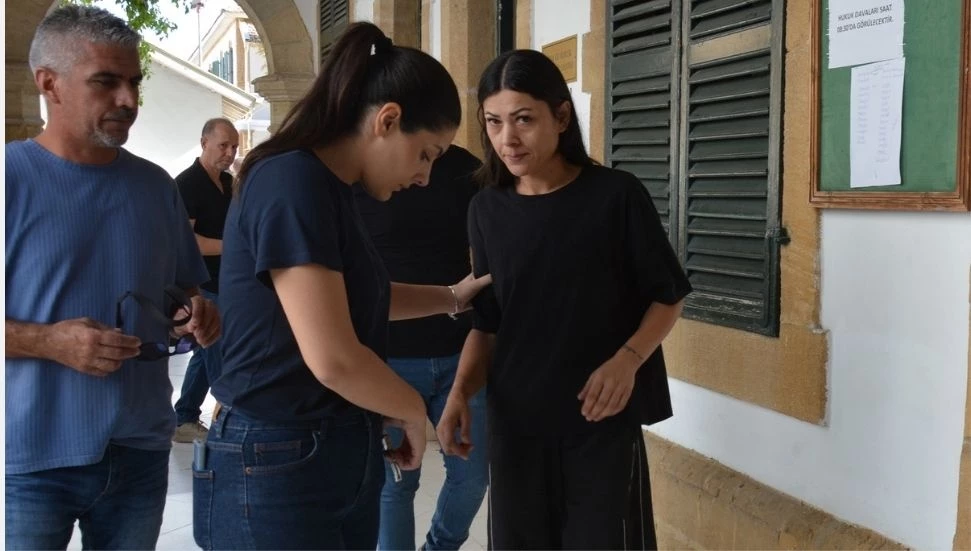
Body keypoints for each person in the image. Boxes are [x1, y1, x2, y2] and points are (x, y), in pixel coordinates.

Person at [194, 22, 490, 550]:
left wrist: (452, 296)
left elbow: (357, 298)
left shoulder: (335, 189)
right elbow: (332, 357)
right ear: (388, 119)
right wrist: (413, 410)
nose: (425, 177)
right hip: (275, 455)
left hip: (329, 445)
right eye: (426, 153)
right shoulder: (291, 181)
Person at [437, 49, 693, 550]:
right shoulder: (486, 209)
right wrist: (459, 394)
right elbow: (487, 325)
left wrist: (627, 361)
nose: (507, 139)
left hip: (599, 419)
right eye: (493, 122)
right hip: (517, 423)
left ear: (560, 115)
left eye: (523, 120)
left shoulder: (615, 195)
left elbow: (667, 296)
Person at [4, 6, 220, 550]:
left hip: (141, 452)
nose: (128, 99)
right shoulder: (10, 181)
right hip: (29, 462)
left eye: (133, 82)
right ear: (48, 84)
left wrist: (194, 312)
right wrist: (47, 341)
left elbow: (181, 291)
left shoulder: (155, 187)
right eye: (106, 81)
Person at [354, 144, 488, 551]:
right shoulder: (367, 172)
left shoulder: (469, 171)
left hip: (460, 352)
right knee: (396, 482)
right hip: (389, 357)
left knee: (472, 476)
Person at [172, 117, 239, 443]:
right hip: (201, 283)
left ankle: (184, 416)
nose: (229, 153)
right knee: (216, 348)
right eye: (223, 145)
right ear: (204, 143)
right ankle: (229, 419)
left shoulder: (227, 183)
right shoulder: (188, 183)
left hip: (226, 278)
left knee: (204, 349)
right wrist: (234, 247)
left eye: (234, 147)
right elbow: (187, 240)